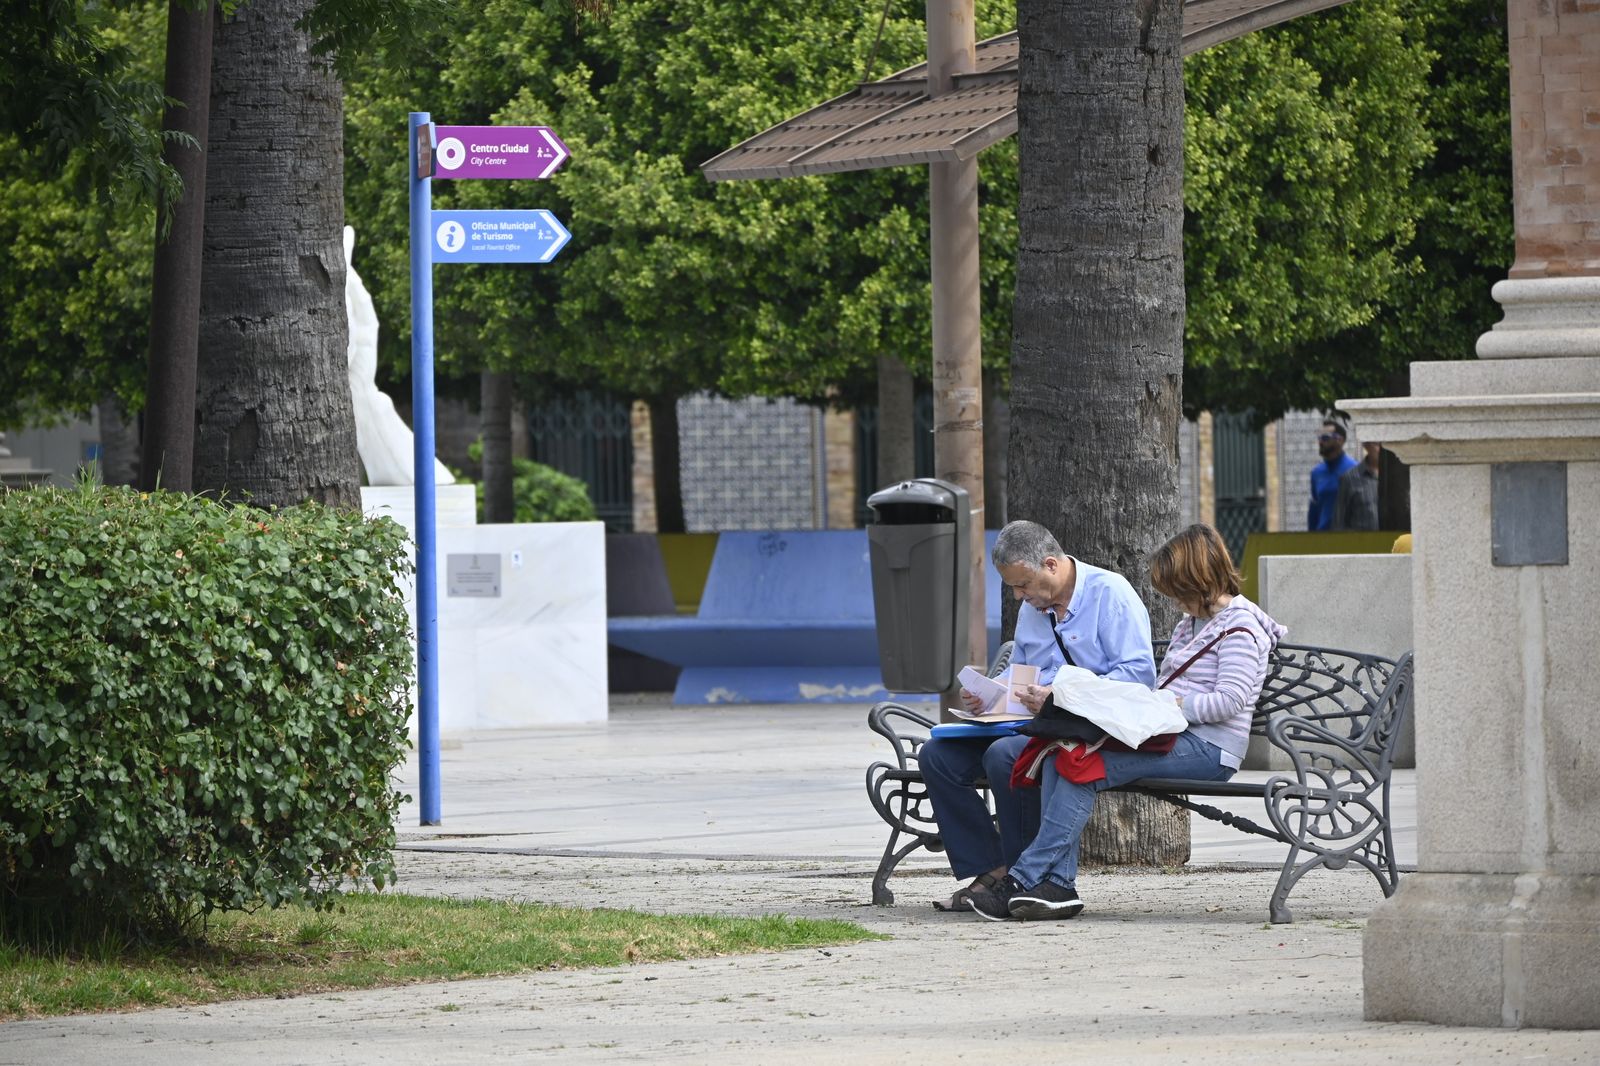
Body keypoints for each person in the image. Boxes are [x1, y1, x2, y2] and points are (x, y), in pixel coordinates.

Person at [967, 523, 1286, 922]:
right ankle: (1057, 888)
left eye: (1178, 590)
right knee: (1061, 752)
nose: (1174, 602)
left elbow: (1231, 700)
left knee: (1079, 763)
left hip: (1210, 747)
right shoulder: (1193, 623)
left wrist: (1171, 704)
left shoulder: (1240, 626)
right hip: (1170, 732)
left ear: (1200, 579)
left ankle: (1025, 878)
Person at [921, 520, 1156, 912]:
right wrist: (991, 695)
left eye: (1023, 585)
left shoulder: (1110, 594)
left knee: (1005, 755)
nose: (1018, 596)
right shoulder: (1035, 606)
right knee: (936, 756)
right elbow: (1024, 673)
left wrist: (1061, 693)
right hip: (1031, 723)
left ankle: (1025, 877)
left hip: (1085, 727)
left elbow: (1138, 676)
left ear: (1050, 564)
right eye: (1012, 587)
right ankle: (991, 868)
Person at [1307, 419, 1357, 531]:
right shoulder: (1316, 473)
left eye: (1325, 438)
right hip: (1323, 539)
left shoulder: (1355, 470)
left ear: (1340, 440)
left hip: (1349, 538)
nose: (1320, 442)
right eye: (1319, 438)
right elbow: (1314, 510)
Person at [1334, 441, 1381, 531]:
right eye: (1377, 444)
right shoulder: (1350, 479)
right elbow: (1339, 522)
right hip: (1361, 542)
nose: (1382, 449)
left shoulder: (1397, 476)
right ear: (1366, 445)